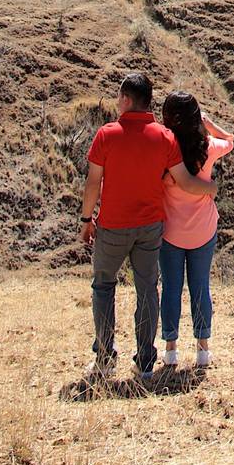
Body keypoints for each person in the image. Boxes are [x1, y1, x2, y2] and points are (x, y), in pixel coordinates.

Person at [79, 74, 218, 381]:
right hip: (150, 228)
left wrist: (87, 220)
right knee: (147, 291)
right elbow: (184, 181)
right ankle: (144, 362)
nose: (117, 105)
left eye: (118, 99)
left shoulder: (106, 134)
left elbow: (92, 183)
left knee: (103, 287)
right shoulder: (164, 137)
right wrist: (210, 189)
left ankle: (104, 358)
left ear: (127, 100)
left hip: (113, 226)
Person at [159, 92, 234, 368]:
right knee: (200, 287)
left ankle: (170, 349)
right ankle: (202, 349)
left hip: (170, 231)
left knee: (170, 288)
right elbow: (231, 140)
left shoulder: (164, 149)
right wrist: (209, 123)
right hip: (203, 229)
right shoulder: (209, 146)